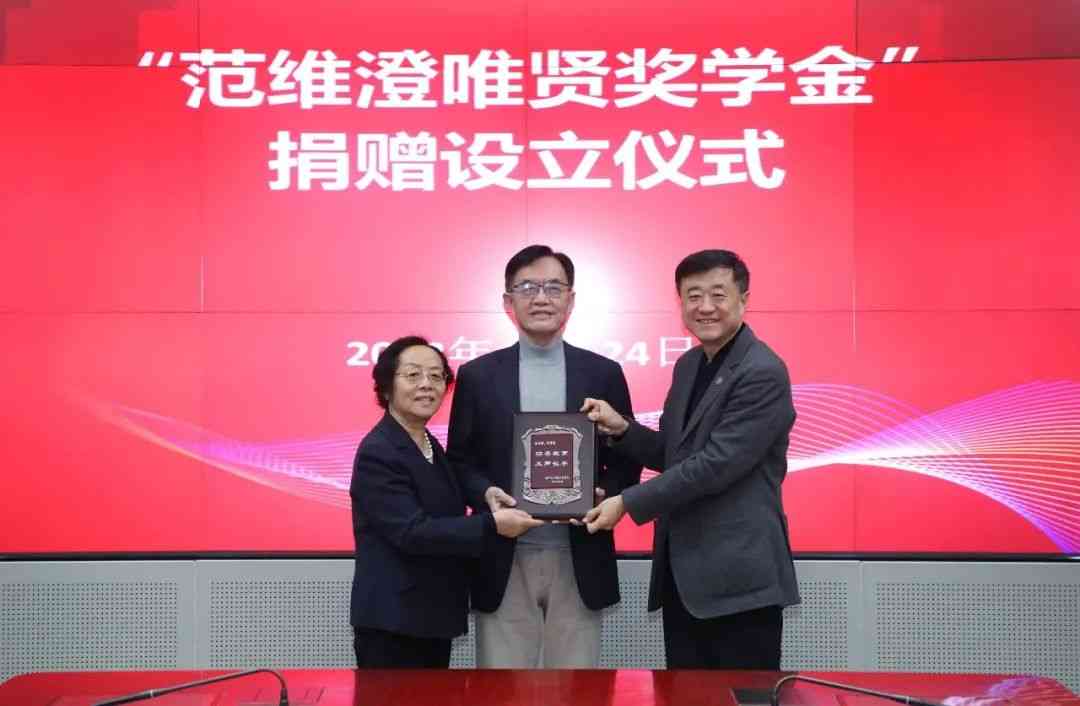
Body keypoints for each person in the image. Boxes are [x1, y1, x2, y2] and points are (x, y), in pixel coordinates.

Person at [580, 249, 800, 670]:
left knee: (741, 696)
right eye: (693, 295)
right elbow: (674, 453)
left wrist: (626, 502)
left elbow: (716, 465)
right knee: (684, 694)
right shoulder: (689, 365)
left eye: (718, 294)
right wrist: (621, 428)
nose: (705, 307)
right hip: (684, 576)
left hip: (740, 580)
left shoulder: (762, 370)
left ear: (743, 300)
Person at [446, 245, 643, 668]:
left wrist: (603, 493)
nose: (541, 298)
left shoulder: (603, 372)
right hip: (503, 556)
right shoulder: (478, 376)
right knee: (502, 688)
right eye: (528, 288)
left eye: (554, 287)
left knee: (576, 688)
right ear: (508, 301)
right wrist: (486, 494)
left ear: (570, 300)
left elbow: (627, 457)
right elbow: (459, 461)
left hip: (579, 554)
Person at [349, 335, 543, 669]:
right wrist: (492, 524)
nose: (427, 384)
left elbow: (445, 508)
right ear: (386, 387)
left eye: (436, 376)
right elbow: (412, 532)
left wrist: (485, 494)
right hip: (393, 623)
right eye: (413, 375)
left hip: (432, 617)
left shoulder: (429, 444)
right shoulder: (378, 451)